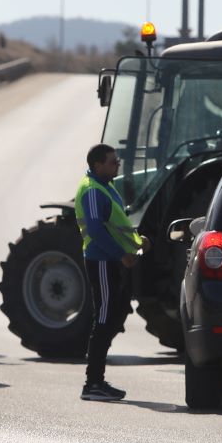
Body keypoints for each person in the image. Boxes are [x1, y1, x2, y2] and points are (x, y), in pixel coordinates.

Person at [74, 143, 145, 402]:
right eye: (113, 161)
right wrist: (121, 255)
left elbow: (117, 225)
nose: (117, 165)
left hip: (110, 261)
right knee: (103, 319)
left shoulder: (106, 186)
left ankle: (96, 380)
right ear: (98, 165)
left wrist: (137, 243)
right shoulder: (92, 191)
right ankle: (93, 383)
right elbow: (96, 231)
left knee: (114, 314)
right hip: (101, 261)